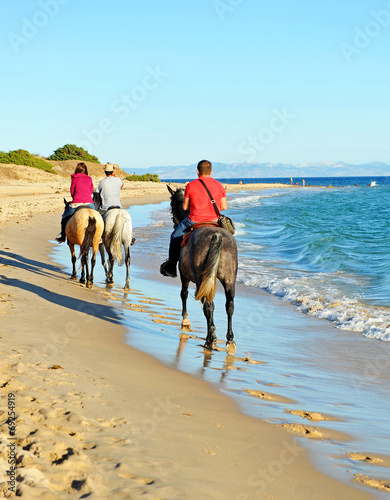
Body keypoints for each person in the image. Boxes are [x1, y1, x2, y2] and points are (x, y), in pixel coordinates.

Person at [160, 159, 227, 278]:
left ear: (197, 172)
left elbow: (185, 207)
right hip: (215, 220)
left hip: (194, 220)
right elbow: (224, 207)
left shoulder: (191, 185)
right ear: (211, 171)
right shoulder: (219, 185)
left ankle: (171, 268)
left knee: (174, 237)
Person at [55, 162, 95, 243]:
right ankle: (99, 237)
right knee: (96, 218)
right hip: (89, 203)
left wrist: (76, 197)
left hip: (76, 203)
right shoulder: (89, 178)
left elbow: (72, 191)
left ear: (77, 169)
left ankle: (63, 236)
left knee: (64, 217)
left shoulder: (74, 178)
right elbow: (91, 190)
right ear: (85, 170)